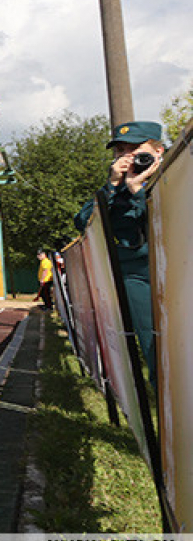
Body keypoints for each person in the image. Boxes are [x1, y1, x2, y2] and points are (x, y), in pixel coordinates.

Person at [74, 121, 164, 364]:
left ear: (158, 151)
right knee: (154, 347)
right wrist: (113, 186)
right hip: (136, 278)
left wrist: (139, 193)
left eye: (135, 148)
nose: (127, 156)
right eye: (121, 150)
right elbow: (83, 222)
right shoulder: (114, 191)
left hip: (177, 270)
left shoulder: (173, 179)